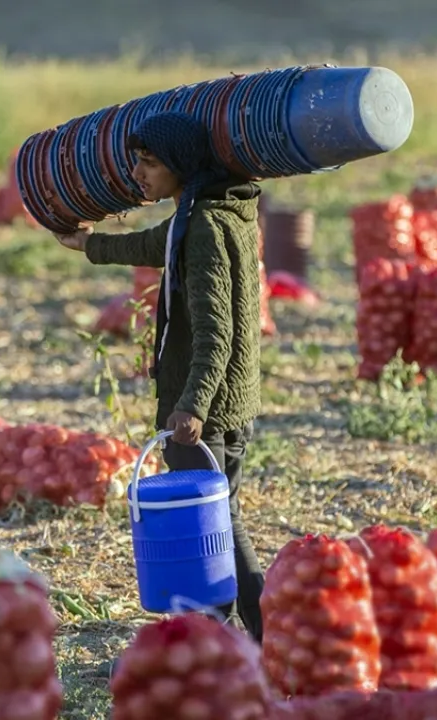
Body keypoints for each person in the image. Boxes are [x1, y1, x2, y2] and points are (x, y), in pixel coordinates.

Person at [54, 111, 265, 642]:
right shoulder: (212, 213)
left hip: (208, 406)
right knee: (221, 520)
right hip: (229, 399)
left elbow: (217, 328)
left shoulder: (204, 229)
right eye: (136, 161)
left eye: (150, 162)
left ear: (182, 165)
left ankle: (259, 634)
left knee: (215, 528)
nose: (139, 173)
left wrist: (192, 404)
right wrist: (88, 244)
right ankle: (242, 636)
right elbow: (151, 245)